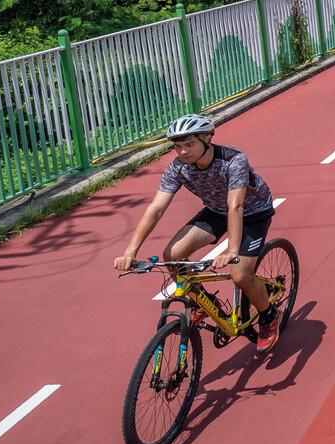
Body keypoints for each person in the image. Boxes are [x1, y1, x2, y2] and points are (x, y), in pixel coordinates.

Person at [115, 114, 282, 352]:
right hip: (216, 211)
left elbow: (236, 206)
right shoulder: (178, 168)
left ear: (207, 138)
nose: (183, 152)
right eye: (177, 147)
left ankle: (268, 316)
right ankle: (204, 303)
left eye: (189, 144)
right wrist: (130, 252)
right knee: (173, 255)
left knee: (240, 275)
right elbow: (156, 208)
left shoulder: (234, 160)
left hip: (253, 212)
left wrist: (231, 251)